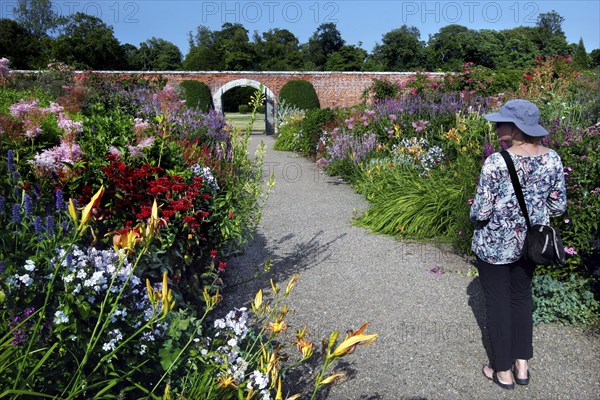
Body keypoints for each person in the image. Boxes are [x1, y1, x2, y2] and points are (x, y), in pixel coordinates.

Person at [469, 99, 567, 390]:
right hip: (531, 246)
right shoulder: (553, 158)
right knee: (522, 298)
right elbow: (558, 206)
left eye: (500, 123)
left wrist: (477, 211)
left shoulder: (497, 161)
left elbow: (481, 212)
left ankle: (502, 370)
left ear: (515, 128)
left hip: (494, 246)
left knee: (498, 302)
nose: (496, 128)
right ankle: (522, 366)